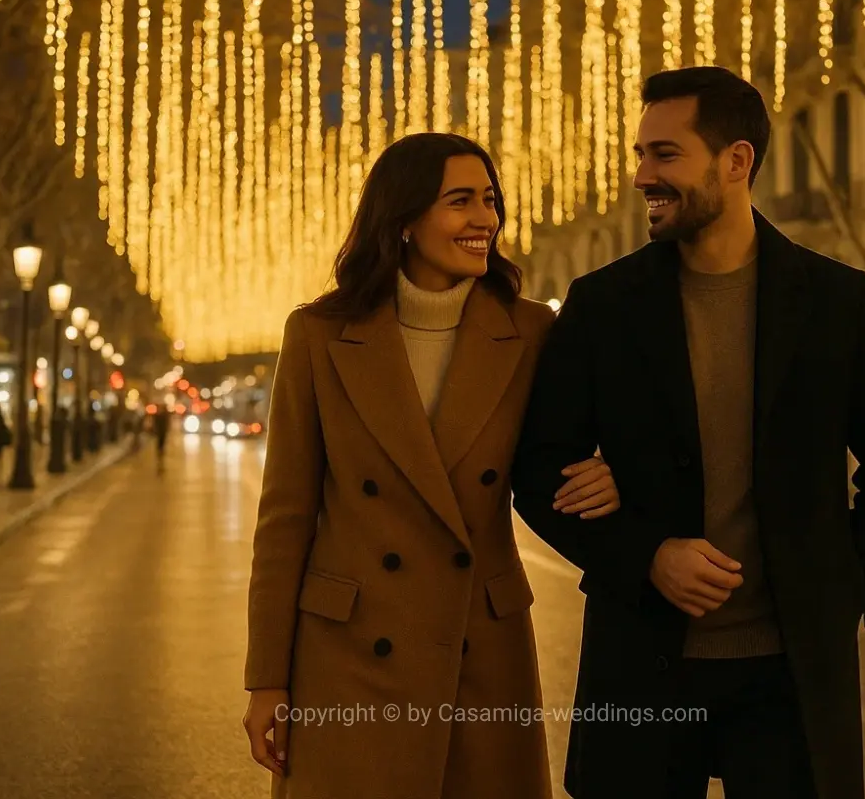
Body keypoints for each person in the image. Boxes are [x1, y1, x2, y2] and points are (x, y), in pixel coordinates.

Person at [511, 67, 865, 799]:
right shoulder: (602, 304)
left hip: (789, 678)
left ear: (736, 161)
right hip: (643, 667)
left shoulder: (836, 300)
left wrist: (846, 591)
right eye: (640, 154)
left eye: (665, 154)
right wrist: (646, 555)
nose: (642, 176)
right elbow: (540, 468)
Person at [243, 133, 620, 798]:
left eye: (490, 200)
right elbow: (286, 518)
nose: (484, 219)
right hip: (348, 653)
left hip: (480, 644)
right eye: (460, 201)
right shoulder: (319, 334)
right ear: (405, 220)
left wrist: (613, 470)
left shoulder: (530, 330)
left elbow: (568, 452)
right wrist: (267, 679)